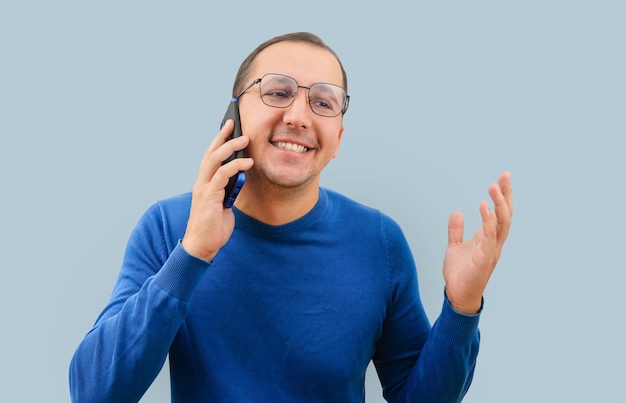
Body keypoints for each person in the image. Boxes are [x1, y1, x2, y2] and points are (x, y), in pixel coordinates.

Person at [69, 31, 513, 403]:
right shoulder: (168, 227)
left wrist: (461, 308)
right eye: (277, 92)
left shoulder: (380, 240)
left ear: (337, 137)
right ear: (234, 115)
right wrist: (193, 252)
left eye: (323, 102)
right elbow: (94, 392)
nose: (299, 116)